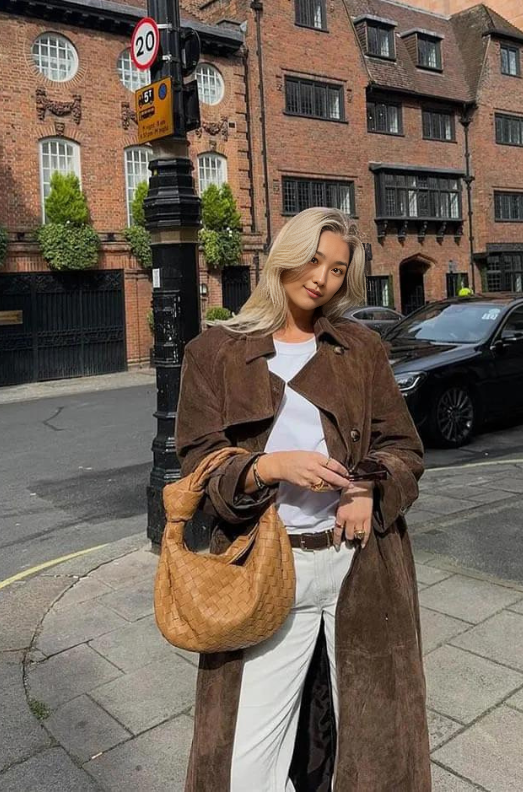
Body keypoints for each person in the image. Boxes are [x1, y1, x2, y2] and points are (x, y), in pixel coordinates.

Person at [176, 207, 431, 792]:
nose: (322, 278)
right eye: (313, 260)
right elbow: (198, 464)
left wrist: (366, 486)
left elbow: (404, 447)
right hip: (268, 567)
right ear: (283, 257)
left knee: (377, 746)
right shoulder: (214, 352)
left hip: (360, 565)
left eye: (337, 269)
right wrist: (267, 467)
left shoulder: (360, 348)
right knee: (242, 760)